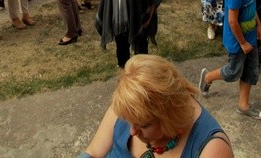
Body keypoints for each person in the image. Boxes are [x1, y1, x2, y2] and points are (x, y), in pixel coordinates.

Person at [82, 55, 232, 158]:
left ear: (170, 116)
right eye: (126, 120)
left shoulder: (212, 150)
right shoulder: (131, 107)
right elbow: (93, 153)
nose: (132, 131)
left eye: (144, 125)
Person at [199, 0, 261, 120]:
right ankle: (207, 77)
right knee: (232, 72)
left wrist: (258, 24)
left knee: (251, 71)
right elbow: (232, 21)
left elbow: (252, 5)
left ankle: (243, 106)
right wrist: (243, 43)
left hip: (250, 34)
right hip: (238, 39)